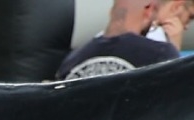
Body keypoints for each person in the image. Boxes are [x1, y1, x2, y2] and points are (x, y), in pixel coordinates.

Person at [56, 0, 191, 78]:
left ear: (111, 12)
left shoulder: (72, 61)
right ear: (148, 10)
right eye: (191, 17)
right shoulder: (160, 53)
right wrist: (174, 48)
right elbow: (174, 103)